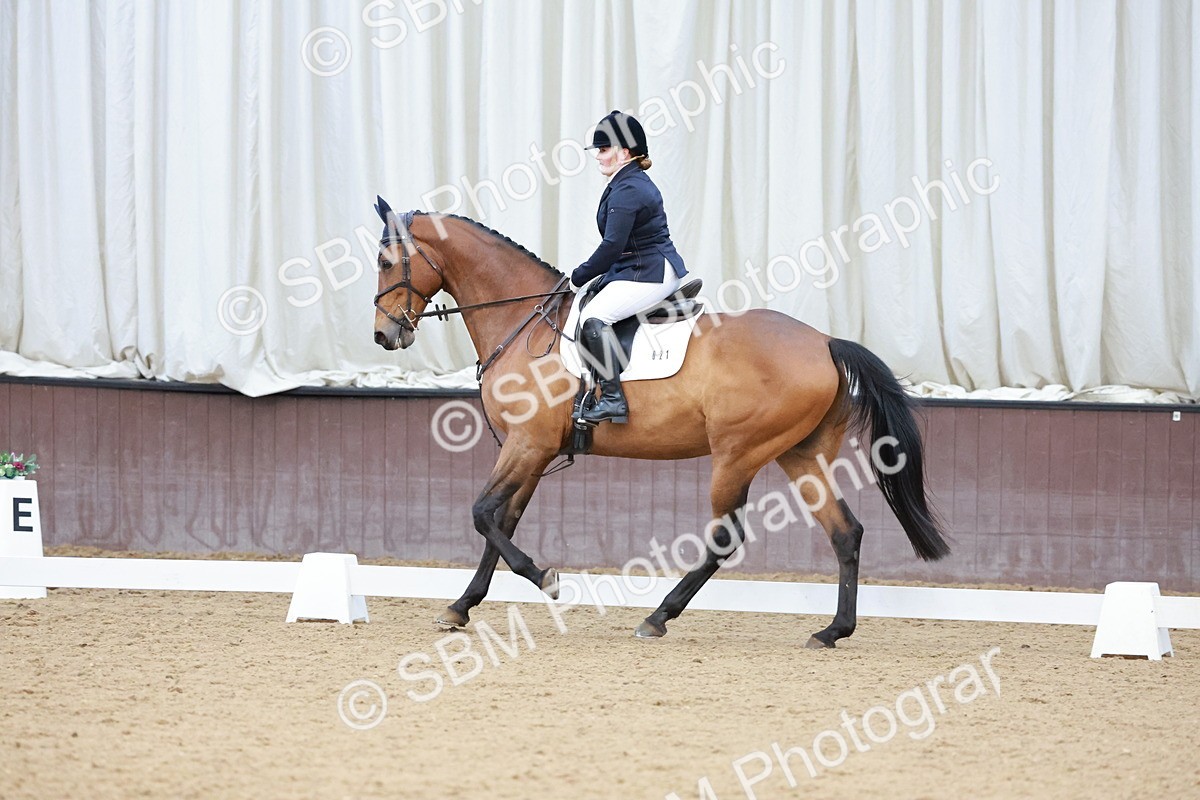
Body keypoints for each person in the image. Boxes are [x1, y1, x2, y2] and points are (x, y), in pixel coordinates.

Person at [571, 110, 689, 425]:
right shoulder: (626, 181)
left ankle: (612, 399)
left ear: (624, 152)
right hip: (640, 267)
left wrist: (580, 275)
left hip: (648, 272)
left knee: (594, 317)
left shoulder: (629, 189)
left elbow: (612, 246)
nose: (598, 156)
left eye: (604, 148)